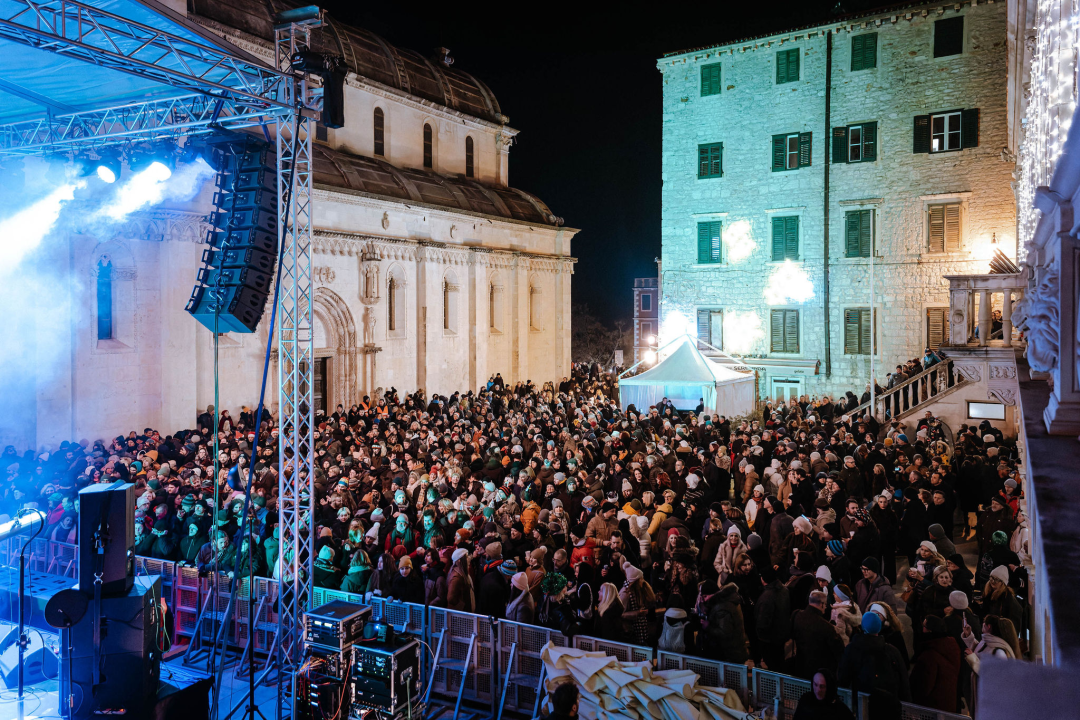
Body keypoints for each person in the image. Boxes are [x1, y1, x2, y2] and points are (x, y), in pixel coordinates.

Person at [838, 612, 911, 703]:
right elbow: (904, 681)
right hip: (888, 704)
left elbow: (843, 678)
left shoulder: (852, 649)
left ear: (863, 627)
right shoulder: (892, 651)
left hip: (862, 703)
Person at [909, 615, 962, 712]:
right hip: (948, 702)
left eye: (924, 626)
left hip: (932, 708)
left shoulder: (929, 655)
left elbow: (923, 688)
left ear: (930, 631)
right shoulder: (952, 646)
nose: (922, 629)